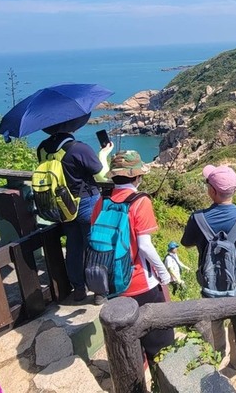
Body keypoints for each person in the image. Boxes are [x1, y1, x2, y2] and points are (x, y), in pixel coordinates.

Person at [90, 150, 174, 362]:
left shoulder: (102, 201)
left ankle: (134, 369)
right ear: (137, 177)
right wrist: (164, 273)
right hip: (140, 282)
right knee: (160, 342)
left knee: (128, 339)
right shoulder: (140, 201)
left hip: (113, 281)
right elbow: (145, 245)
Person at [181, 164, 236, 370]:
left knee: (214, 327)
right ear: (234, 190)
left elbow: (186, 243)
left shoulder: (197, 218)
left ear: (212, 191)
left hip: (210, 284)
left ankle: (214, 364)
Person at [38, 121, 113, 301]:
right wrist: (103, 154)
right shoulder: (79, 148)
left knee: (73, 247)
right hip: (87, 203)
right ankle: (99, 292)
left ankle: (78, 289)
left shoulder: (42, 149)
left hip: (62, 205)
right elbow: (102, 175)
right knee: (95, 247)